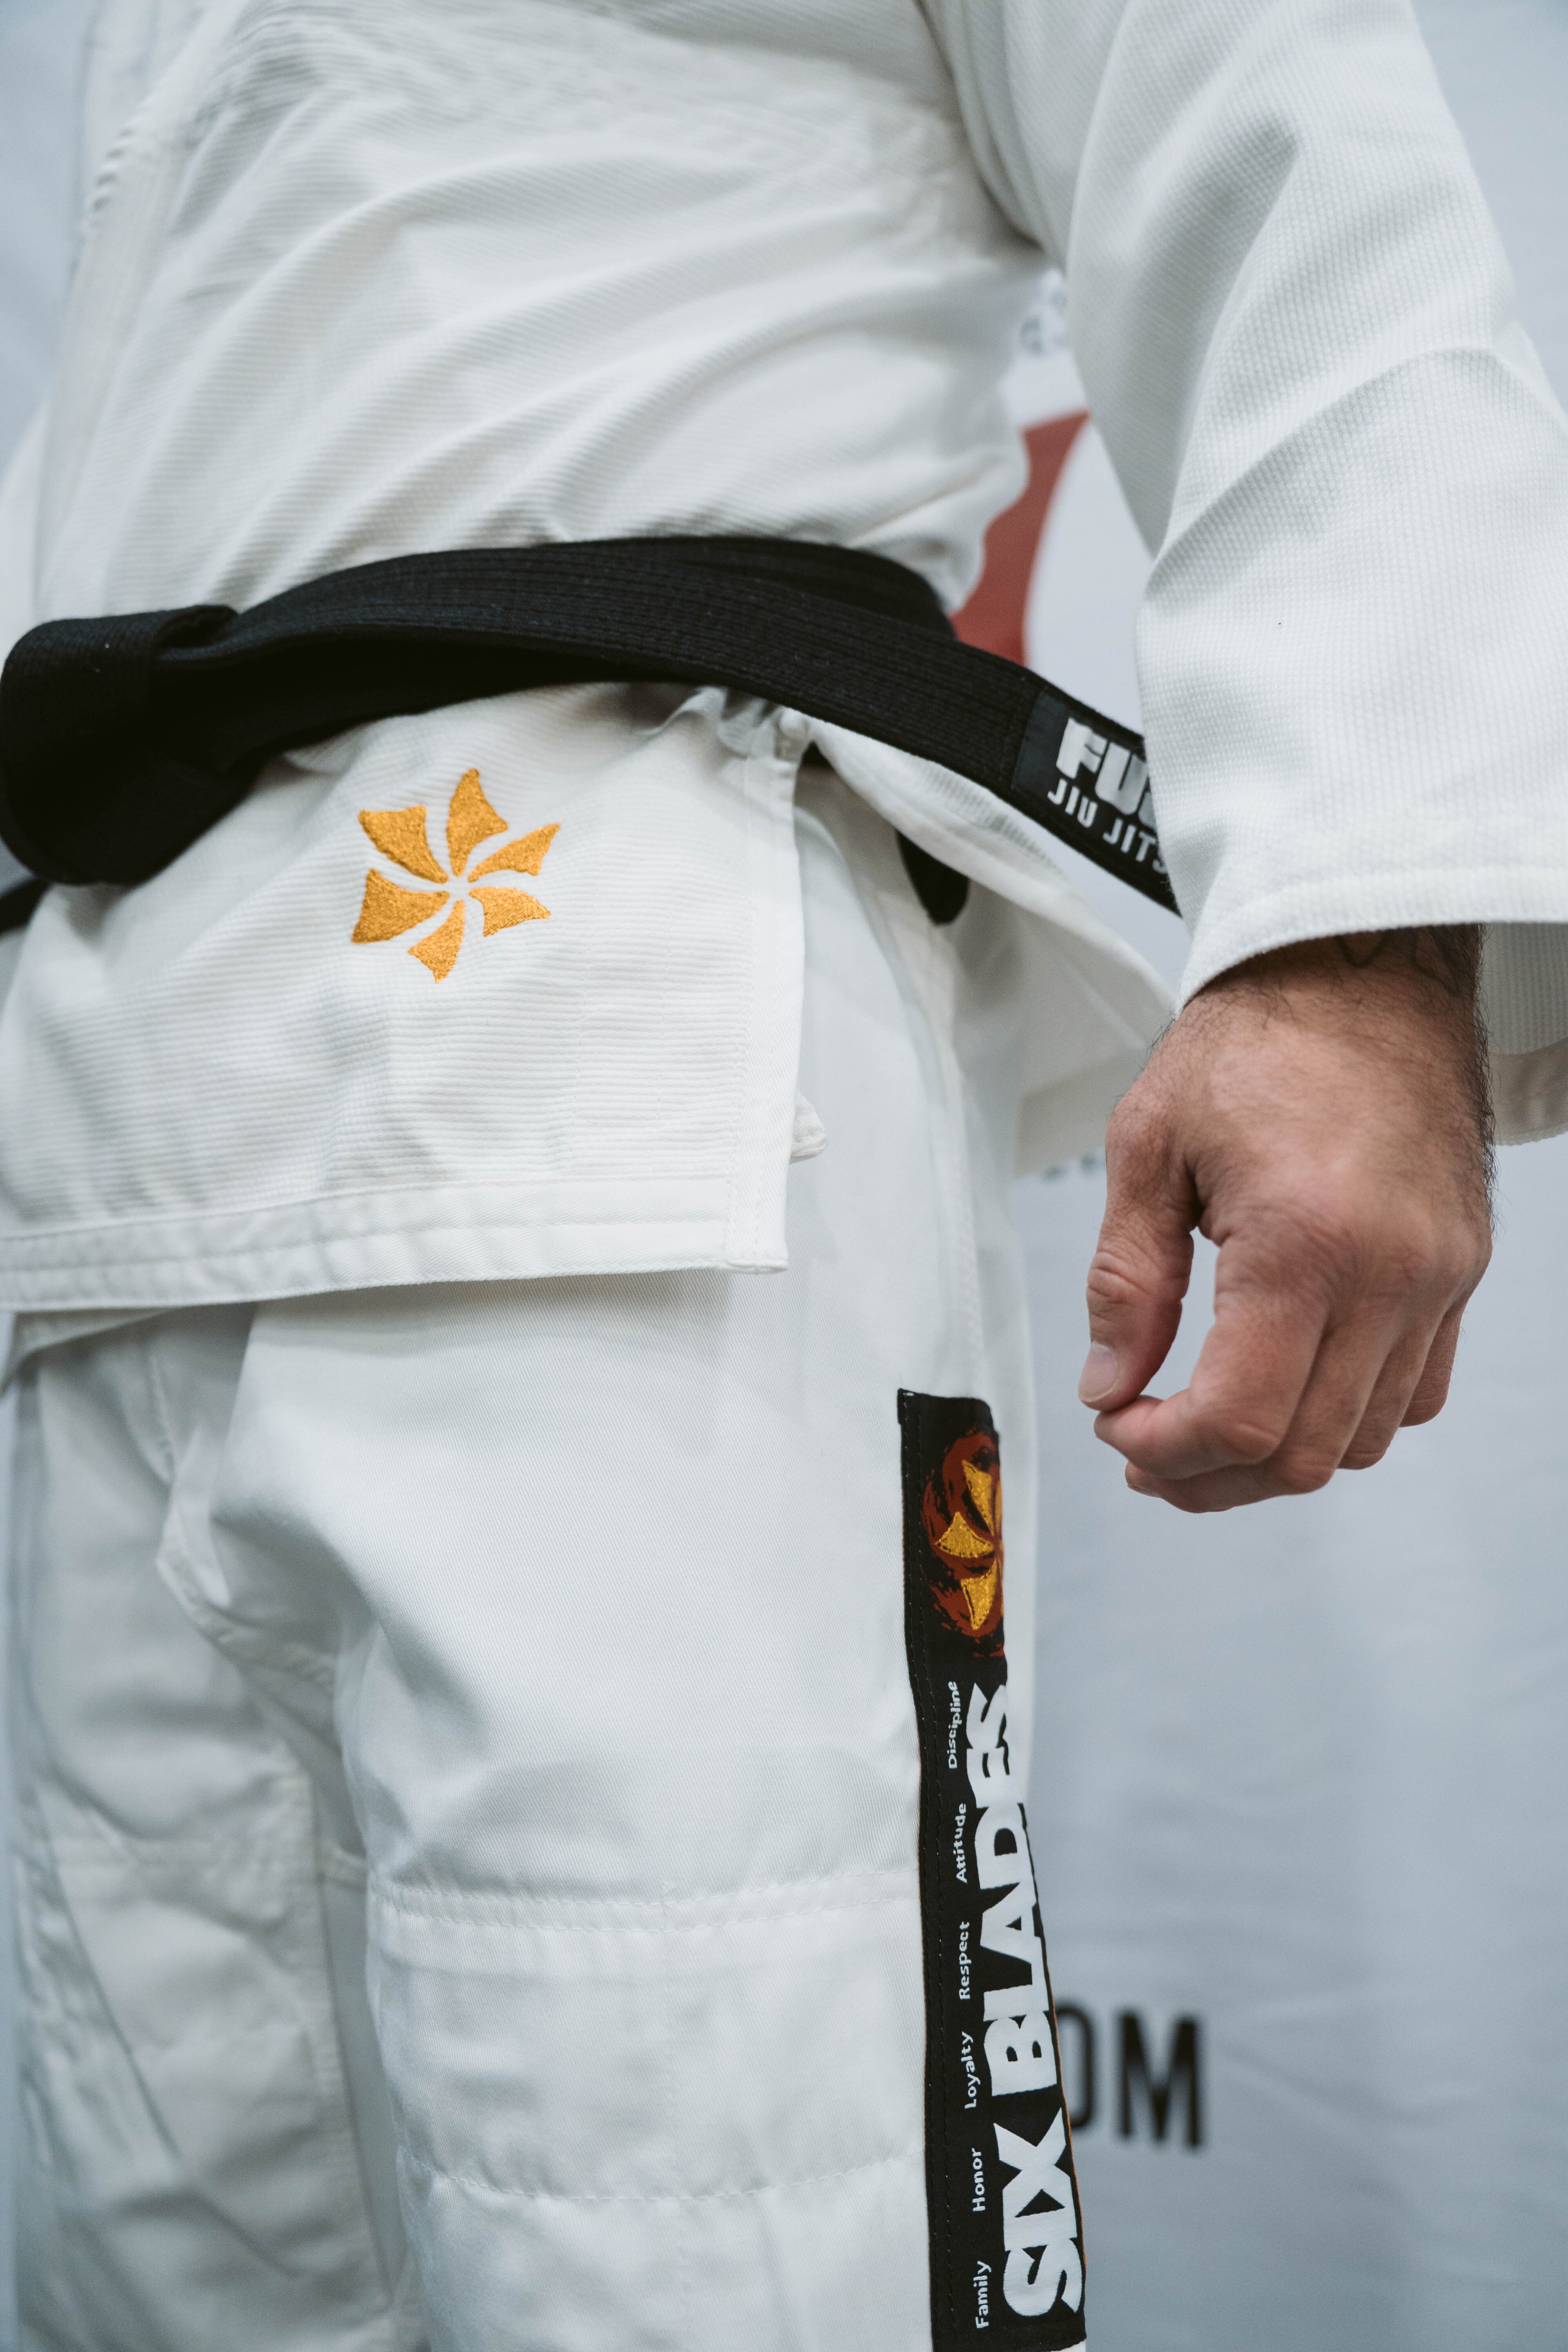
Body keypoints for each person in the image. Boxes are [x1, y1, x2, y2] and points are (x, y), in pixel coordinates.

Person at [0, 2, 1561, 2345]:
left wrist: (1356, 954)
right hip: (122, 1088)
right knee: (171, 2261)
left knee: (694, 2239)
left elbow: (1275, 154)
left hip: (604, 1018)